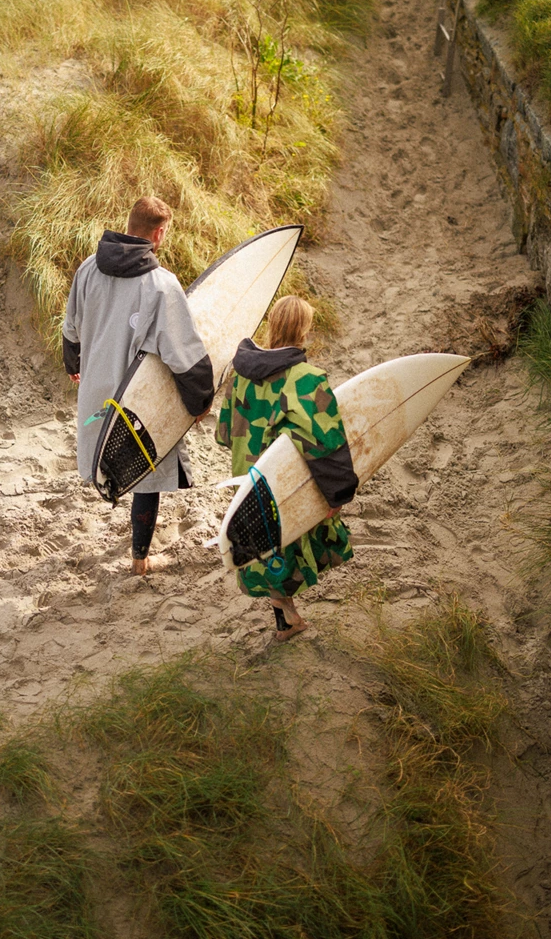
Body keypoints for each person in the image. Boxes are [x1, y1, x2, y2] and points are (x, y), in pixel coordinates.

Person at [63, 196, 215, 574]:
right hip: (138, 398)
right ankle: (140, 560)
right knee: (148, 474)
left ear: (128, 224)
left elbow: (71, 326)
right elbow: (183, 353)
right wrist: (199, 401)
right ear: (159, 234)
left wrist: (73, 362)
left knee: (110, 463)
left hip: (97, 392)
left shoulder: (87, 269)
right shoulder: (161, 285)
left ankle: (136, 548)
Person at [215, 295, 358, 642]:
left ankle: (288, 622)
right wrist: (337, 494)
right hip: (283, 481)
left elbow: (223, 432)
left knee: (264, 548)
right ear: (304, 330)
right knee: (283, 546)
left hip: (248, 477)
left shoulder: (240, 373)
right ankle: (289, 623)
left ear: (273, 325)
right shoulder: (306, 379)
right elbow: (327, 442)